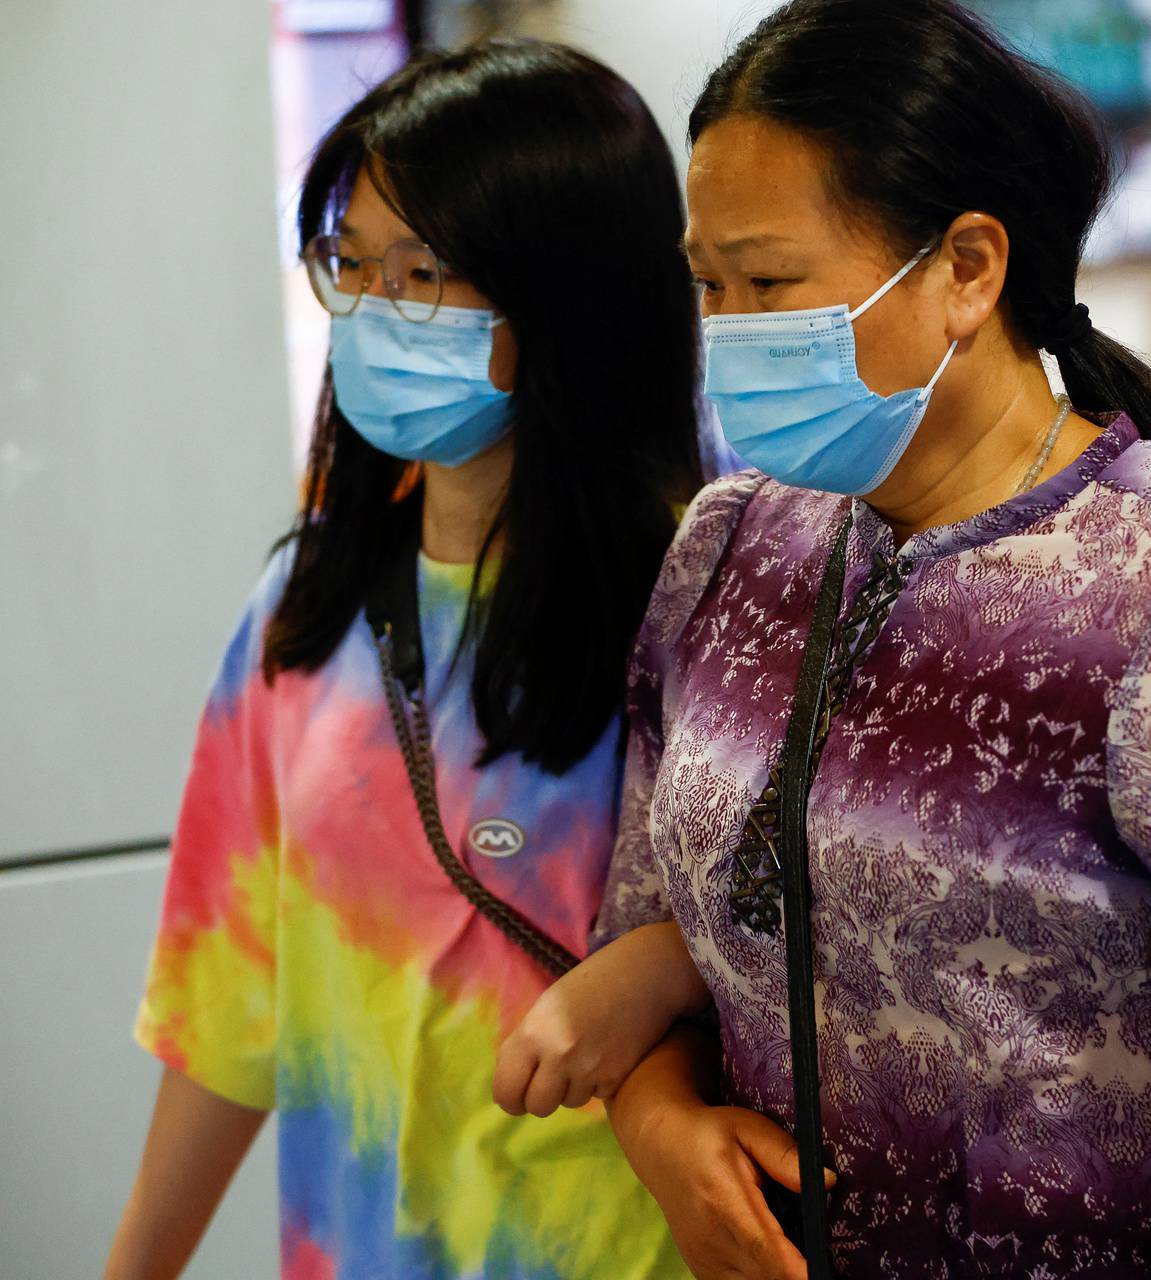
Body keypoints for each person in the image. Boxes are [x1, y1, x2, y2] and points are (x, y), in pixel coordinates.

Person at [495, 2, 1151, 1277]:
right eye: (709, 285)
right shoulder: (736, 547)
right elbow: (667, 906)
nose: (733, 327)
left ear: (968, 266)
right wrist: (659, 1123)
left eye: (771, 281)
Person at [104, 42, 702, 1280]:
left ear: (569, 295)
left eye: (423, 269)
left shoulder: (705, 606)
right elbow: (232, 1008)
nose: (374, 308)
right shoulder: (305, 609)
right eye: (353, 261)